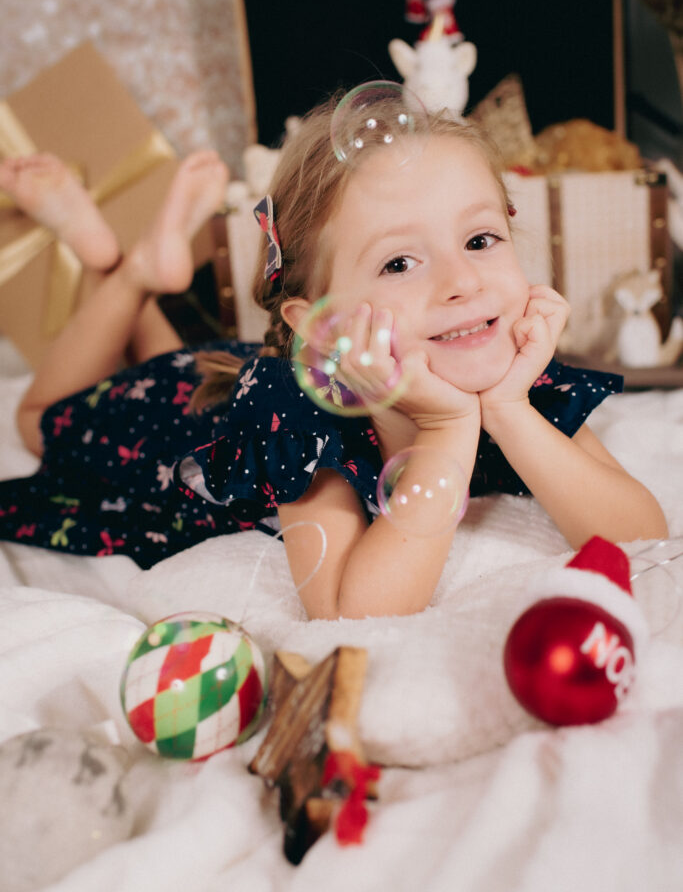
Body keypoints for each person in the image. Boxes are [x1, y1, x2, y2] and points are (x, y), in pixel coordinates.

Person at [0, 93, 668, 621]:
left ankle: (128, 265)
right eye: (399, 261)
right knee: (35, 421)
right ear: (319, 330)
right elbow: (350, 608)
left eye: (480, 239)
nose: (461, 283)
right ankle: (127, 271)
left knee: (185, 359)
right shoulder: (297, 407)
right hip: (167, 421)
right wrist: (445, 428)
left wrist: (507, 408)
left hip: (217, 373)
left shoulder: (514, 370)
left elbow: (639, 531)